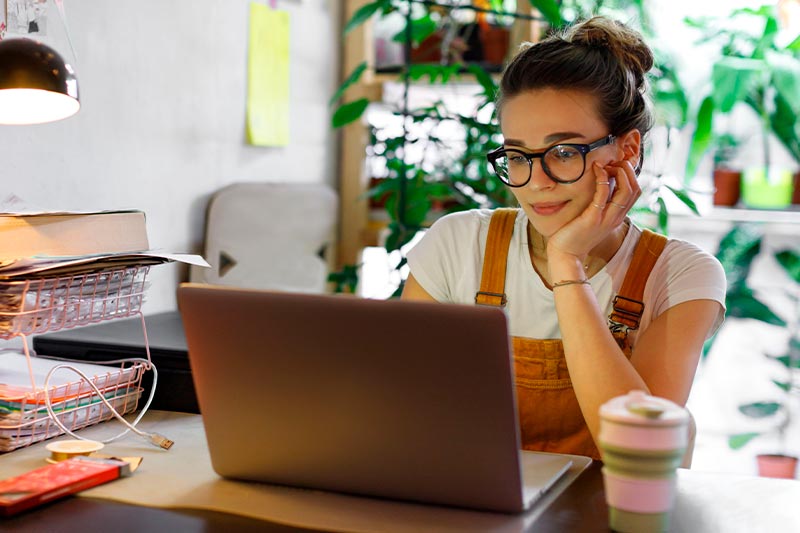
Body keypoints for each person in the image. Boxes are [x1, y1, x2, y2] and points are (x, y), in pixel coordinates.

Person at [401, 16, 726, 460]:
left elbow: (642, 450)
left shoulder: (681, 275)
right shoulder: (458, 243)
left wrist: (567, 264)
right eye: (517, 155)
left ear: (626, 150)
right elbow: (403, 411)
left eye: (564, 152)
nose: (535, 182)